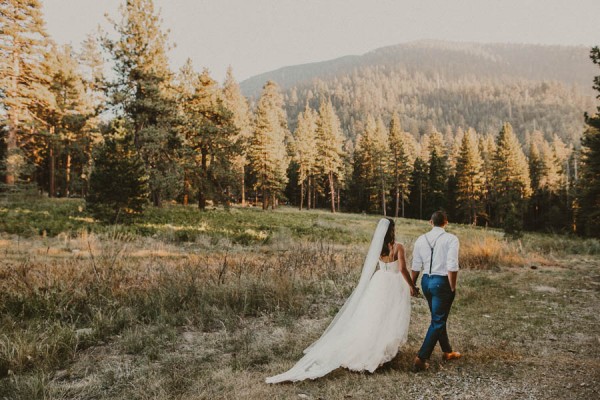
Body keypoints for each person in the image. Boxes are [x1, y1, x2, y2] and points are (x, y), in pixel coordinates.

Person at [265, 218, 418, 383]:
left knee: (374, 317)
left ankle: (370, 349)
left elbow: (374, 267)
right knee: (390, 317)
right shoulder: (398, 247)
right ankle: (379, 353)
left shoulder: (378, 247)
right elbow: (402, 268)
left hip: (379, 282)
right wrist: (412, 286)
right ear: (393, 229)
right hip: (394, 283)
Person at [410, 211, 462, 371]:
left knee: (437, 317)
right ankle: (421, 358)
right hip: (441, 282)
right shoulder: (451, 239)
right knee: (438, 320)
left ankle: (447, 351)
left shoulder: (421, 239)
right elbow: (452, 265)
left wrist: (412, 285)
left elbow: (415, 265)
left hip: (426, 282)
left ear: (430, 222)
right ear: (446, 222)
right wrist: (452, 286)